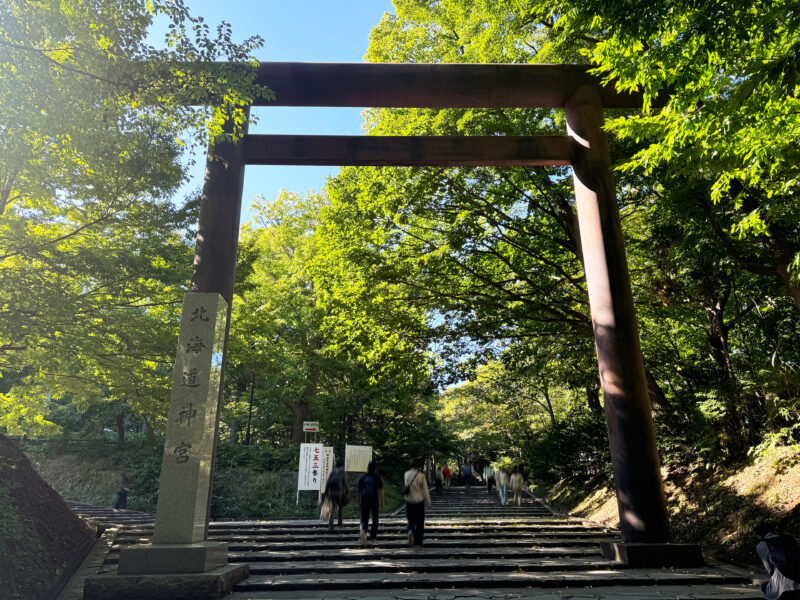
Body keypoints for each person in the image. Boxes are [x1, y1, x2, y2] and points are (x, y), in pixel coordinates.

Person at [755, 522, 800, 599]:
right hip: (798, 578)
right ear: (773, 530)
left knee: (764, 586)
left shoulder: (761, 546)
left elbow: (769, 570)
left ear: (759, 535)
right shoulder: (789, 539)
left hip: (783, 586)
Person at [404, 457, 432, 548]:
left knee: (411, 520)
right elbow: (426, 490)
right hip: (418, 501)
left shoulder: (406, 474)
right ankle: (418, 542)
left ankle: (410, 531)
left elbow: (406, 486)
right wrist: (429, 501)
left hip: (409, 501)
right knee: (420, 523)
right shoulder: (421, 476)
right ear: (419, 466)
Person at [357, 461, 385, 545]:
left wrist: (359, 502)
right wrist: (382, 501)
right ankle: (373, 537)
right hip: (374, 500)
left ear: (367, 468)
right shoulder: (377, 477)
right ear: (375, 468)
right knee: (375, 518)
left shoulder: (362, 478)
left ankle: (363, 530)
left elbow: (359, 492)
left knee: (364, 517)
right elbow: (381, 490)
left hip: (364, 500)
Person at [325, 461, 349, 530]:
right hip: (340, 493)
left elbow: (328, 482)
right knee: (340, 509)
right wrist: (347, 492)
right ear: (342, 466)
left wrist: (326, 492)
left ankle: (331, 525)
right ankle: (340, 524)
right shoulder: (342, 472)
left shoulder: (332, 472)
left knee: (332, 509)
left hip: (332, 493)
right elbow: (345, 483)